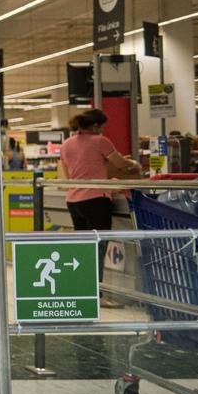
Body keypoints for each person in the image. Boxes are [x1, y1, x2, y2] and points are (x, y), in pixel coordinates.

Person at [58, 108, 140, 298]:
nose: (102, 130)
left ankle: (83, 288)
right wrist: (134, 165)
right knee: (98, 246)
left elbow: (70, 173)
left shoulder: (67, 144)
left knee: (84, 246)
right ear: (95, 125)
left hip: (74, 200)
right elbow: (120, 165)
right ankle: (96, 292)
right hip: (96, 200)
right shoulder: (100, 141)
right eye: (101, 127)